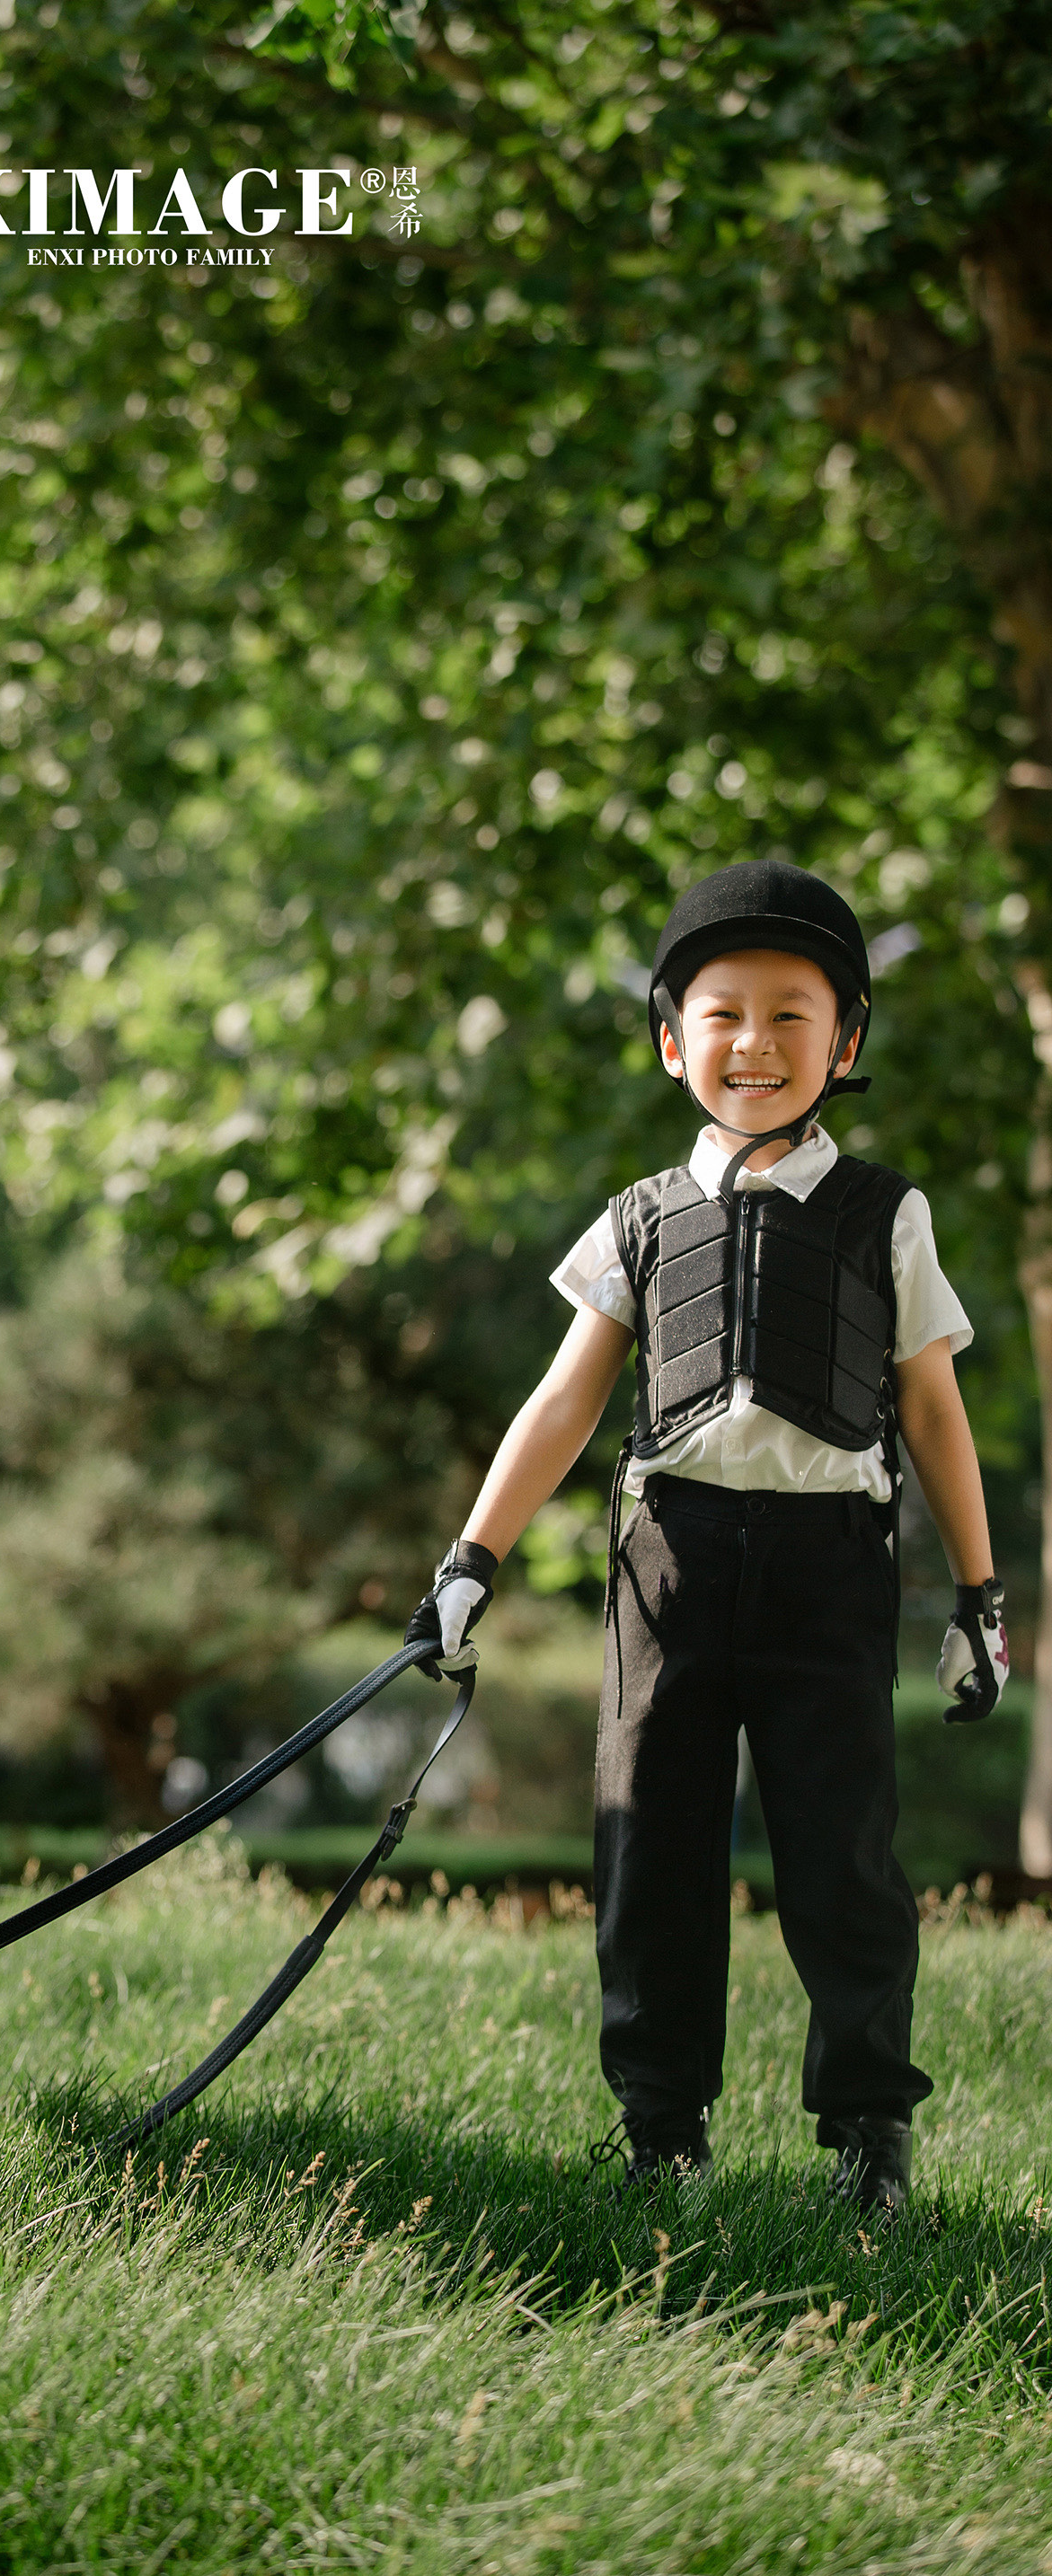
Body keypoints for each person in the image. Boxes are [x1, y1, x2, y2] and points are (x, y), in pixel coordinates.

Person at [409, 860, 1007, 2212]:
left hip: (829, 1571)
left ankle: (869, 2139)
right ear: (673, 1041)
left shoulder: (884, 1216)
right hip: (666, 1566)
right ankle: (659, 2132)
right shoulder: (639, 1218)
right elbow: (563, 1402)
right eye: (723, 1014)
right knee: (649, 1856)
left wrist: (981, 1597)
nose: (756, 1043)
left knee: (843, 1859)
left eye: (794, 1015)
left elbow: (932, 1406)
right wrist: (471, 1562)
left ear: (845, 1043)